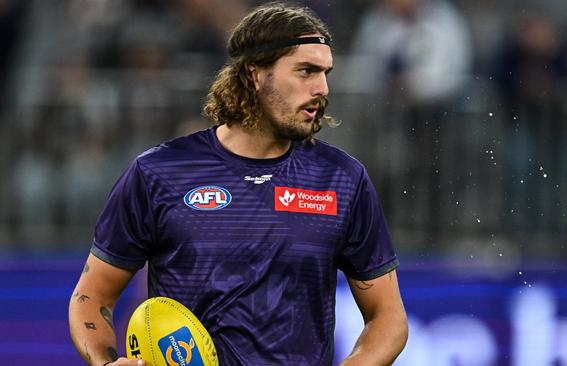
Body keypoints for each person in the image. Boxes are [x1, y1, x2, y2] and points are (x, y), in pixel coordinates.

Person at [68, 3, 408, 366]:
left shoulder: (342, 179)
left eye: (326, 72)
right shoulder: (159, 173)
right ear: (255, 74)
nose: (322, 87)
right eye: (306, 71)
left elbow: (388, 317)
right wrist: (106, 364)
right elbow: (91, 297)